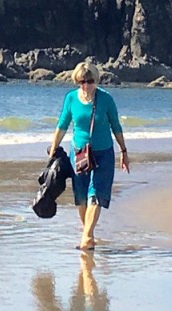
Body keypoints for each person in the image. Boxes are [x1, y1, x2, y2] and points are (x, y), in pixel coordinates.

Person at [47, 61, 129, 251]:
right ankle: (88, 235)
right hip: (79, 153)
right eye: (82, 81)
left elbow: (116, 126)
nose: (86, 85)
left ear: (96, 80)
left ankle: (87, 237)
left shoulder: (106, 99)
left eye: (90, 81)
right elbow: (62, 125)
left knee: (96, 195)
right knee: (82, 197)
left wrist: (123, 151)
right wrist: (53, 149)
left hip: (103, 153)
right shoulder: (71, 99)